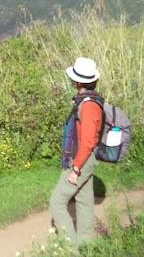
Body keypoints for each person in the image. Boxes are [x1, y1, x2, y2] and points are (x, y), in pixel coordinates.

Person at [49, 57, 104, 246]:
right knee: (84, 201)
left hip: (82, 159)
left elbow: (88, 141)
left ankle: (70, 249)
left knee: (56, 202)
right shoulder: (88, 101)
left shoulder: (88, 105)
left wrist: (76, 169)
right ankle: (86, 246)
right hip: (87, 157)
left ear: (78, 81)